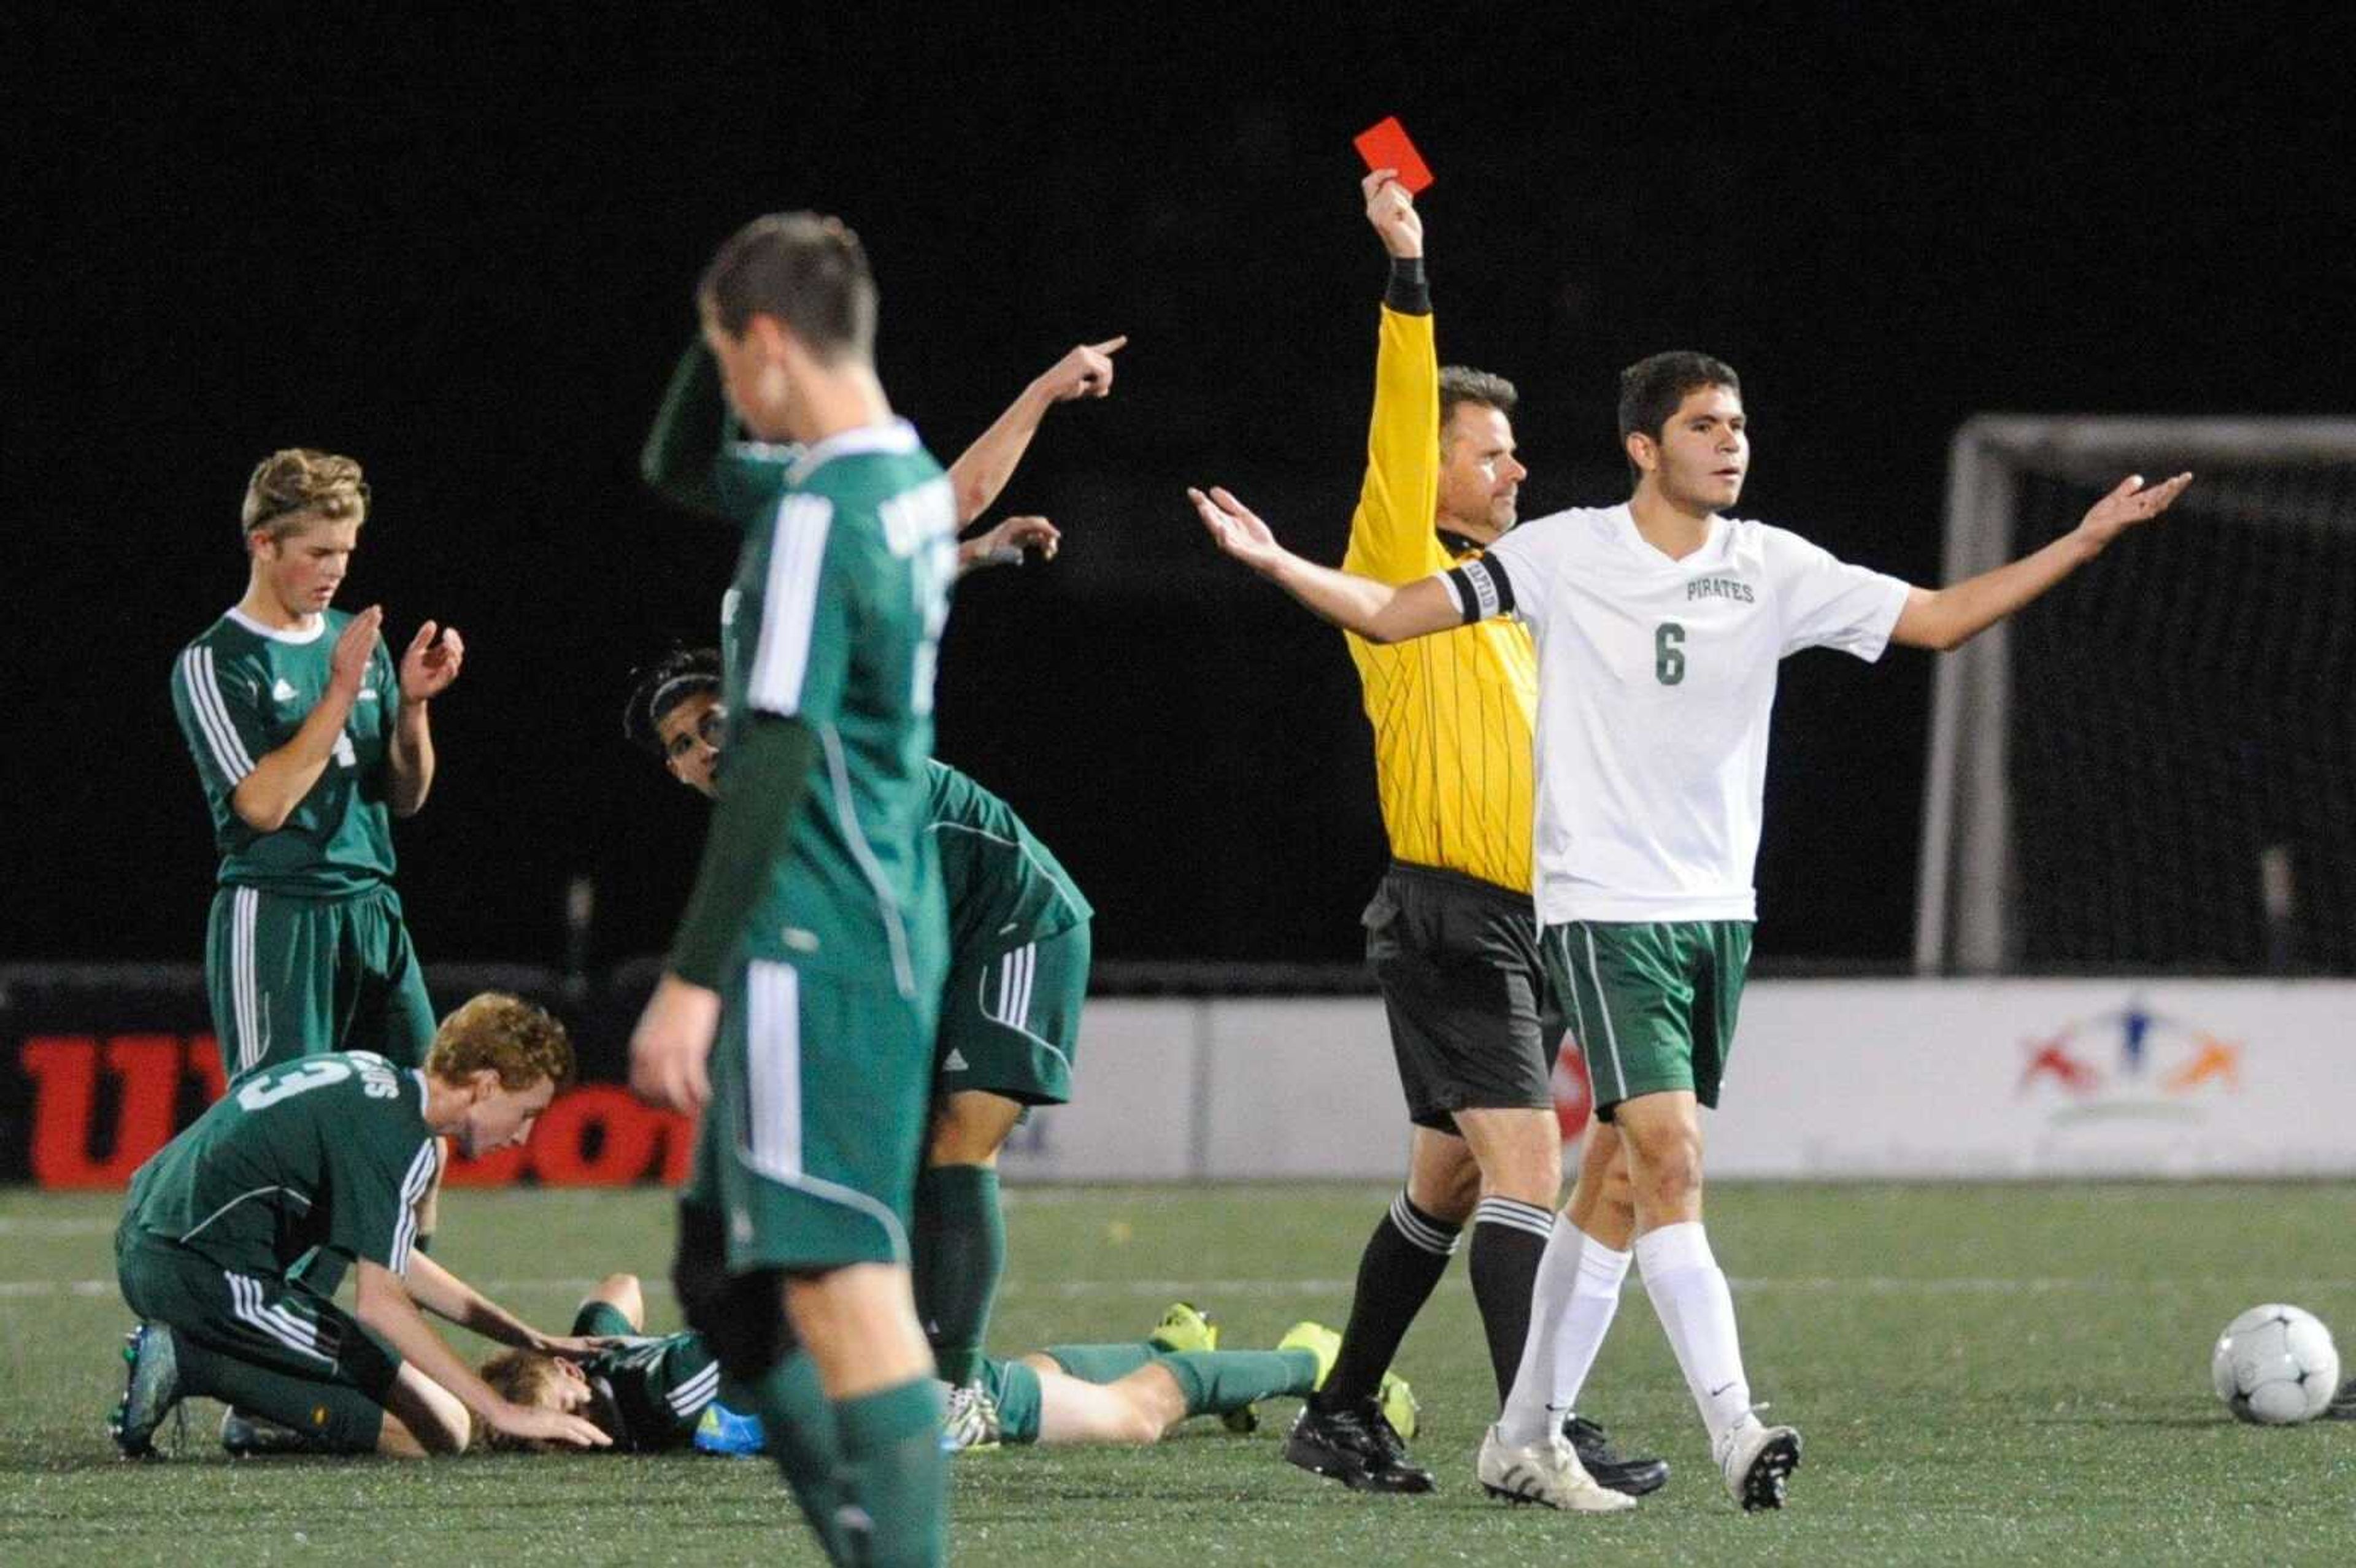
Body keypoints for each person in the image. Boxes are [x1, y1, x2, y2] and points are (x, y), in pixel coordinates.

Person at [1190, 352, 2191, 1511]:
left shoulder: (1769, 565)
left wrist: (2083, 543)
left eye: (1741, 424)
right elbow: (1396, 609)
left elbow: (1936, 619)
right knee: (1666, 1157)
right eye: (1706, 424)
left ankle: (1522, 1430)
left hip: (1718, 915)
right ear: (1643, 447)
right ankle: (1735, 1425)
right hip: (1598, 904)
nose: (1732, 442)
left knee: (1609, 1180)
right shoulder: (1567, 553)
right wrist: (1277, 564)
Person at [1274, 168, 1654, 1512]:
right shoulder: (1398, 563)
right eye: (1490, 451)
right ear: (1426, 473)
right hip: (1453, 921)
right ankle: (1534, 1434)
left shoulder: (1510, 600)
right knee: (1527, 1174)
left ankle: (1337, 1415)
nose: (1517, 467)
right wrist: (1408, 272)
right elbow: (1398, 412)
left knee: (1443, 1185)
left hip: (1529, 924)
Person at [626, 211, 959, 1568]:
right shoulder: (896, 481)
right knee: (727, 1290)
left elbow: (767, 753)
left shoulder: (825, 515)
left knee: (842, 1283)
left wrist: (690, 980)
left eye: (728, 352)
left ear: (766, 346)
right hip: (860, 914)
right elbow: (672, 464)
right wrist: (727, 316)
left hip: (818, 929)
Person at [623, 648, 1091, 1408]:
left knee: (956, 1142)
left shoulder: (819, 750)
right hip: (928, 947)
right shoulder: (759, 825)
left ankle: (953, 1393)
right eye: (680, 746)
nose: (703, 749)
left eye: (711, 721)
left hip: (1012, 923)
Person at [109, 993, 610, 1459]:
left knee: (426, 1411)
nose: (524, 1135)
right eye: (527, 1113)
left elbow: (395, 1260)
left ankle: (255, 1408)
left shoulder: (377, 1081)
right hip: (199, 1275)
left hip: (162, 1245)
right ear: (486, 1085)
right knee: (444, 1430)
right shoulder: (400, 1138)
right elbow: (380, 1303)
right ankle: (187, 1360)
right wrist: (503, 1411)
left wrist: (529, 1338)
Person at [169, 449, 465, 1083]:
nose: (335, 570)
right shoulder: (217, 659)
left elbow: (406, 797)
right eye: (318, 553)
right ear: (264, 544)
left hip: (372, 907)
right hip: (281, 911)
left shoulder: (353, 639)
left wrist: (412, 706)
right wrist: (337, 694)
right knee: (284, 1127)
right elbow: (262, 806)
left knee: (424, 1105)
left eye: (346, 553)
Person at [480, 1284, 1373, 1456]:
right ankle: (1179, 1347)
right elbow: (620, 1291)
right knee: (1030, 1375)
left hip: (890, 1387)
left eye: (568, 1421)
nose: (579, 1435)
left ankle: (1312, 1361)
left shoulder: (653, 1396)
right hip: (883, 1359)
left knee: (1131, 1419)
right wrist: (582, 1339)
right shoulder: (616, 1356)